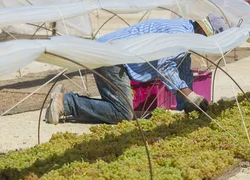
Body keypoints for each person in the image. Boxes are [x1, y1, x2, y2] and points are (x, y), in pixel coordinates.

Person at [44, 14, 228, 125]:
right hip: (112, 56)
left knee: (119, 107)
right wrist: (192, 96)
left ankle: (68, 97)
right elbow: (165, 67)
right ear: (202, 32)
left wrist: (188, 106)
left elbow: (183, 72)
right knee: (122, 113)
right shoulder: (181, 35)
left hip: (115, 54)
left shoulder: (187, 36)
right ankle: (67, 103)